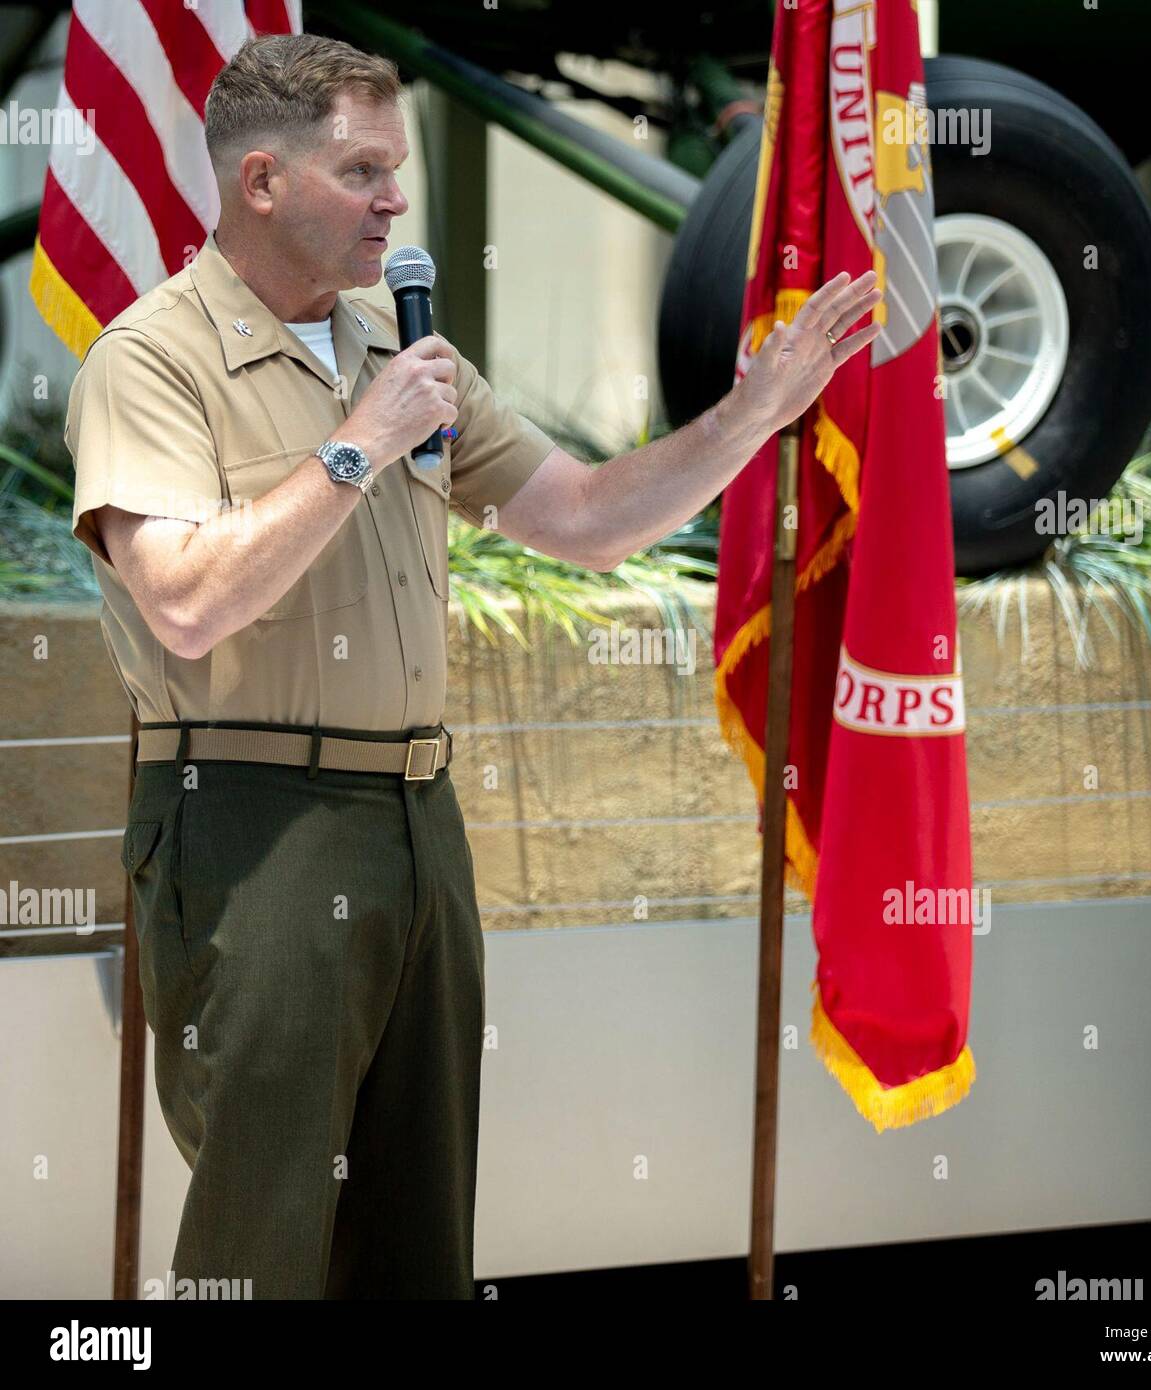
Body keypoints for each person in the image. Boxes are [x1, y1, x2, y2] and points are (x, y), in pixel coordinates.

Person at [63, 32, 882, 1299]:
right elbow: (182, 603)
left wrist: (751, 416)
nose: (395, 200)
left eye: (396, 170)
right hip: (250, 823)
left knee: (416, 1240)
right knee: (263, 1240)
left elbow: (586, 519)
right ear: (262, 181)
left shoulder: (399, 354)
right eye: (362, 170)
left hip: (416, 819)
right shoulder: (153, 359)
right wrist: (358, 445)